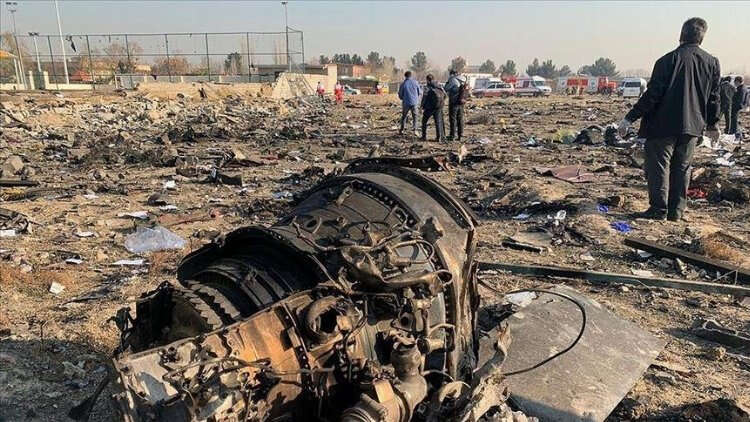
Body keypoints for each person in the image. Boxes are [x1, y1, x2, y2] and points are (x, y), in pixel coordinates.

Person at [617, 17, 721, 222]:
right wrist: (712, 124)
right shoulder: (712, 63)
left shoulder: (667, 60)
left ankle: (658, 209)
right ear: (702, 38)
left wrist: (630, 118)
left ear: (681, 34)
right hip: (692, 126)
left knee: (659, 167)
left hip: (662, 125)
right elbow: (714, 97)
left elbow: (652, 95)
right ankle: (676, 212)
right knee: (682, 168)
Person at [421, 74, 446, 142]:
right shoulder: (439, 85)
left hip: (429, 108)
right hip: (438, 107)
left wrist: (422, 106)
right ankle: (439, 137)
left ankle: (424, 137)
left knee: (424, 121)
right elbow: (445, 95)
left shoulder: (427, 87)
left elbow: (424, 97)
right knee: (438, 122)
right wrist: (440, 103)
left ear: (427, 80)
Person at [397, 71, 421, 136]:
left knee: (404, 116)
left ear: (405, 76)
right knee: (415, 117)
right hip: (414, 102)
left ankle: (402, 130)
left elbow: (400, 94)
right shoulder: (415, 82)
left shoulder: (403, 84)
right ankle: (415, 130)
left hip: (406, 103)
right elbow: (419, 92)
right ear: (411, 75)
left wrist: (403, 98)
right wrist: (416, 98)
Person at [444, 70, 463, 141]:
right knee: (460, 119)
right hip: (461, 102)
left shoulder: (452, 80)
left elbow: (446, 88)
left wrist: (447, 82)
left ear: (451, 74)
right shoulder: (462, 79)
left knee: (453, 119)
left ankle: (452, 136)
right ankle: (460, 135)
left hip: (454, 102)